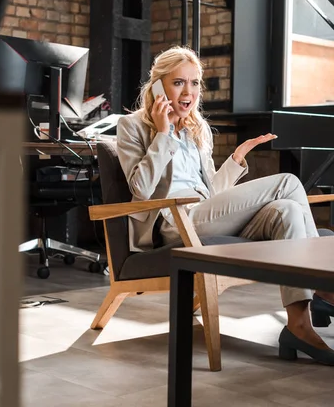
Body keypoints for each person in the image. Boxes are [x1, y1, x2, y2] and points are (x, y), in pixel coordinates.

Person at [117, 45, 334, 365]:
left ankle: (298, 326)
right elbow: (140, 189)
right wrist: (163, 134)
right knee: (288, 182)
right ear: (158, 86)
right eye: (178, 83)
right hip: (173, 222)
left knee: (287, 210)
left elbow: (212, 192)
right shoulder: (132, 126)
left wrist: (236, 160)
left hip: (204, 214)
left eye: (194, 83)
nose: (188, 91)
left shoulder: (197, 128)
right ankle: (324, 287)